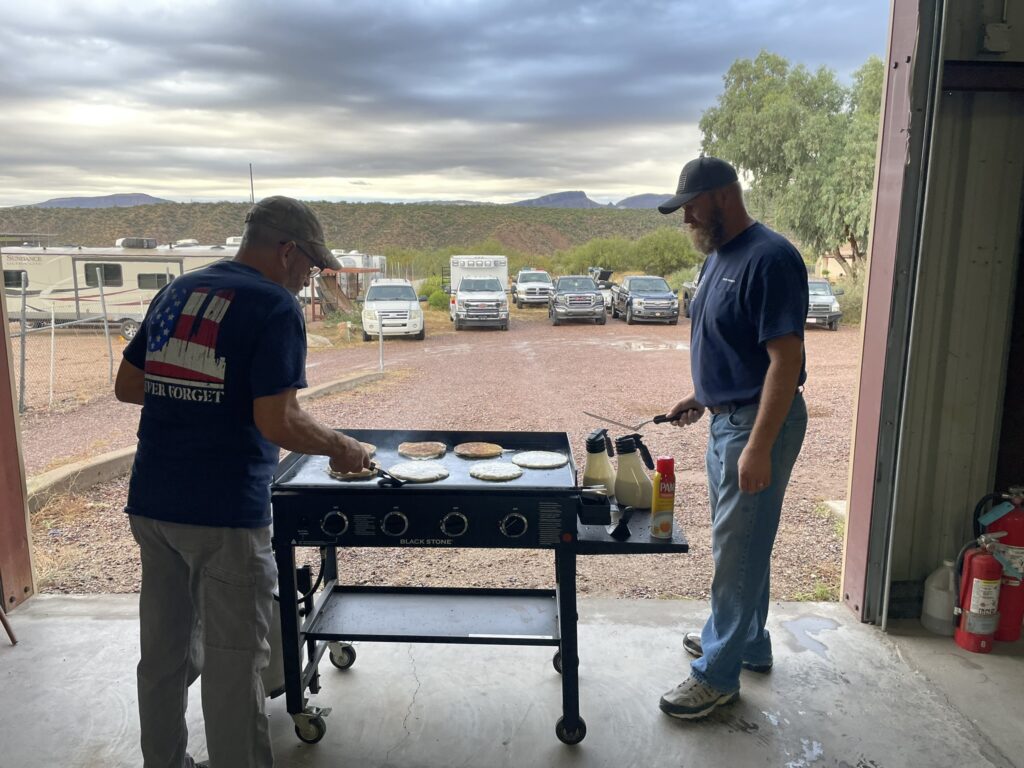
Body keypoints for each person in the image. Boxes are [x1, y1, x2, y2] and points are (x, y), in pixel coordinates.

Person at [114, 196, 371, 767]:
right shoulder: (275, 306)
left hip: (153, 501)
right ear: (286, 250)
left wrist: (199, 397)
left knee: (163, 657)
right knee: (233, 663)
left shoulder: (179, 290)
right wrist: (342, 446)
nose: (310, 277)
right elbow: (277, 420)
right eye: (310, 264)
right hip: (224, 511)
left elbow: (130, 385)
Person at [655, 157, 809, 719]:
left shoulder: (771, 258)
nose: (685, 218)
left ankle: (717, 674)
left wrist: (759, 445)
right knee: (744, 542)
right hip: (727, 417)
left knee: (736, 547)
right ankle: (748, 643)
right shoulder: (718, 257)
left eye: (691, 207)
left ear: (722, 197)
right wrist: (704, 394)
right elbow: (732, 344)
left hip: (757, 424)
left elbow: (785, 360)